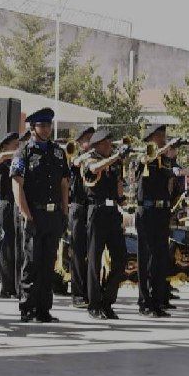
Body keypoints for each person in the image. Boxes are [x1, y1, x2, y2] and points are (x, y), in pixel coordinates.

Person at [11, 108, 70, 323]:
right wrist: (26, 215)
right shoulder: (24, 152)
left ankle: (44, 309)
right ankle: (28, 308)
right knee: (32, 262)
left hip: (53, 215)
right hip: (34, 213)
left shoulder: (58, 152)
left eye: (48, 125)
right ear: (33, 128)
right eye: (42, 126)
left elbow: (64, 184)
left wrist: (65, 212)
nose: (46, 129)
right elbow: (17, 185)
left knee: (48, 263)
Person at [82, 129, 131, 319]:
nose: (110, 145)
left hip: (112, 212)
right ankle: (94, 304)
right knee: (94, 259)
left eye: (110, 142)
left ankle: (107, 300)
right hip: (96, 211)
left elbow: (118, 182)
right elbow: (94, 169)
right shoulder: (89, 158)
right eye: (106, 143)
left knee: (121, 258)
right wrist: (116, 157)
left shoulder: (115, 161)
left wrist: (122, 200)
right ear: (97, 145)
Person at [135, 124, 175, 317]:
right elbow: (145, 160)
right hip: (147, 210)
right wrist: (164, 150)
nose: (163, 138)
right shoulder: (142, 155)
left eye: (164, 135)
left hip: (162, 210)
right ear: (151, 138)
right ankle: (145, 302)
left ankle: (158, 301)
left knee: (160, 257)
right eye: (159, 135)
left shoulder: (165, 160)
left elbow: (170, 182)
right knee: (146, 258)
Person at [68, 126, 94, 309]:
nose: (92, 142)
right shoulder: (75, 156)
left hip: (92, 207)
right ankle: (77, 293)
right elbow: (76, 163)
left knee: (92, 252)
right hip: (78, 207)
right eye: (89, 139)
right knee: (77, 252)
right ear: (80, 142)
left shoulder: (96, 157)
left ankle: (91, 290)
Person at [0, 132, 20, 299]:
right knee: (7, 246)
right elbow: (0, 157)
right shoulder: (2, 159)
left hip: (18, 204)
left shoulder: (18, 161)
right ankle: (6, 286)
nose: (18, 147)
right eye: (14, 144)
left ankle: (17, 286)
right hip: (6, 204)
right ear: (5, 146)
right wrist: (19, 152)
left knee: (18, 245)